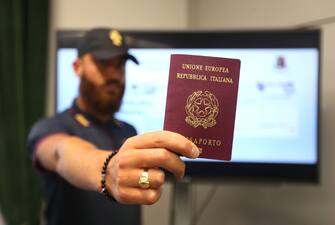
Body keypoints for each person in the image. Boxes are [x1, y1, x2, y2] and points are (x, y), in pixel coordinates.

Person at [27, 28, 200, 225]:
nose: (114, 74)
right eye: (103, 64)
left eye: (120, 65)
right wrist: (108, 170)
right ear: (77, 67)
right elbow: (62, 154)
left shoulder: (129, 132)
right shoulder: (50, 127)